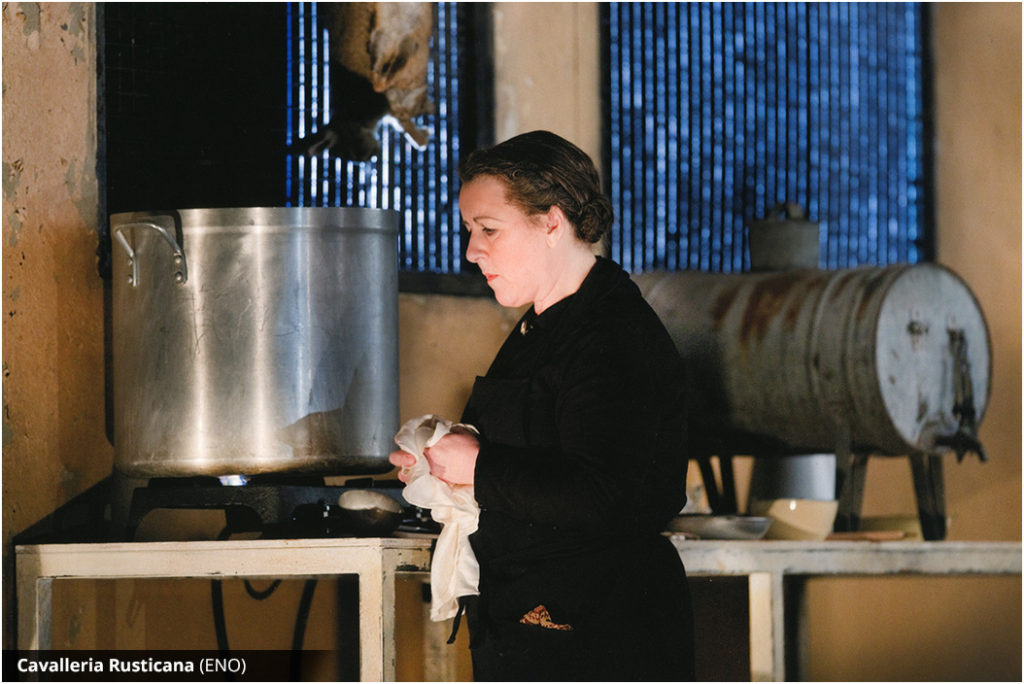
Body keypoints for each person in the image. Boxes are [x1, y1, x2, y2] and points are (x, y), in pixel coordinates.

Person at [389, 130, 694, 682]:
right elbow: (535, 454)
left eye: (488, 229)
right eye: (469, 230)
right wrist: (444, 467)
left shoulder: (612, 333)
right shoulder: (542, 325)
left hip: (599, 633)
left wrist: (479, 467)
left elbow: (602, 494)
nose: (471, 250)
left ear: (551, 223)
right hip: (532, 622)